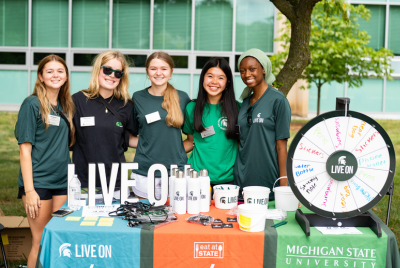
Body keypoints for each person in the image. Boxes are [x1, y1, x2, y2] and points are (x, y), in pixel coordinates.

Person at [15, 55, 75, 267]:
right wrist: (29, 190)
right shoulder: (31, 104)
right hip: (38, 183)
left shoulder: (66, 105)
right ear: (40, 76)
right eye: (49, 71)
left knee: (59, 240)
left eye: (60, 71)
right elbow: (24, 150)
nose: (55, 75)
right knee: (40, 241)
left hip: (62, 183)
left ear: (66, 76)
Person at [130, 51, 192, 199]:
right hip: (145, 172)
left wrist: (173, 151)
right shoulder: (137, 97)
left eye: (164, 68)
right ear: (147, 72)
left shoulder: (182, 98)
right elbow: (130, 137)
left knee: (178, 218)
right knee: (144, 219)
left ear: (171, 71)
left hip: (177, 173)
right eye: (153, 69)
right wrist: (150, 148)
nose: (159, 73)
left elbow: (191, 140)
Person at [72, 51, 135, 190]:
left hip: (116, 182)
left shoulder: (127, 105)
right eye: (107, 70)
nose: (112, 75)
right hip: (83, 182)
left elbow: (129, 139)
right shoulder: (77, 101)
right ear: (97, 70)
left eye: (118, 73)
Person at [234, 48, 291, 200]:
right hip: (242, 179)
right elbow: (242, 141)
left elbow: (281, 146)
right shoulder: (244, 103)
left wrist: (283, 188)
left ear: (264, 70)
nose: (247, 75)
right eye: (242, 71)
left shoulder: (278, 100)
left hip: (268, 180)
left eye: (252, 69)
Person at [183, 58, 239, 185]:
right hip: (196, 178)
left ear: (227, 82)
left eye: (220, 78)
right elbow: (191, 141)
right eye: (210, 76)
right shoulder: (191, 108)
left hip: (229, 180)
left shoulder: (238, 108)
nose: (214, 81)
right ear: (203, 78)